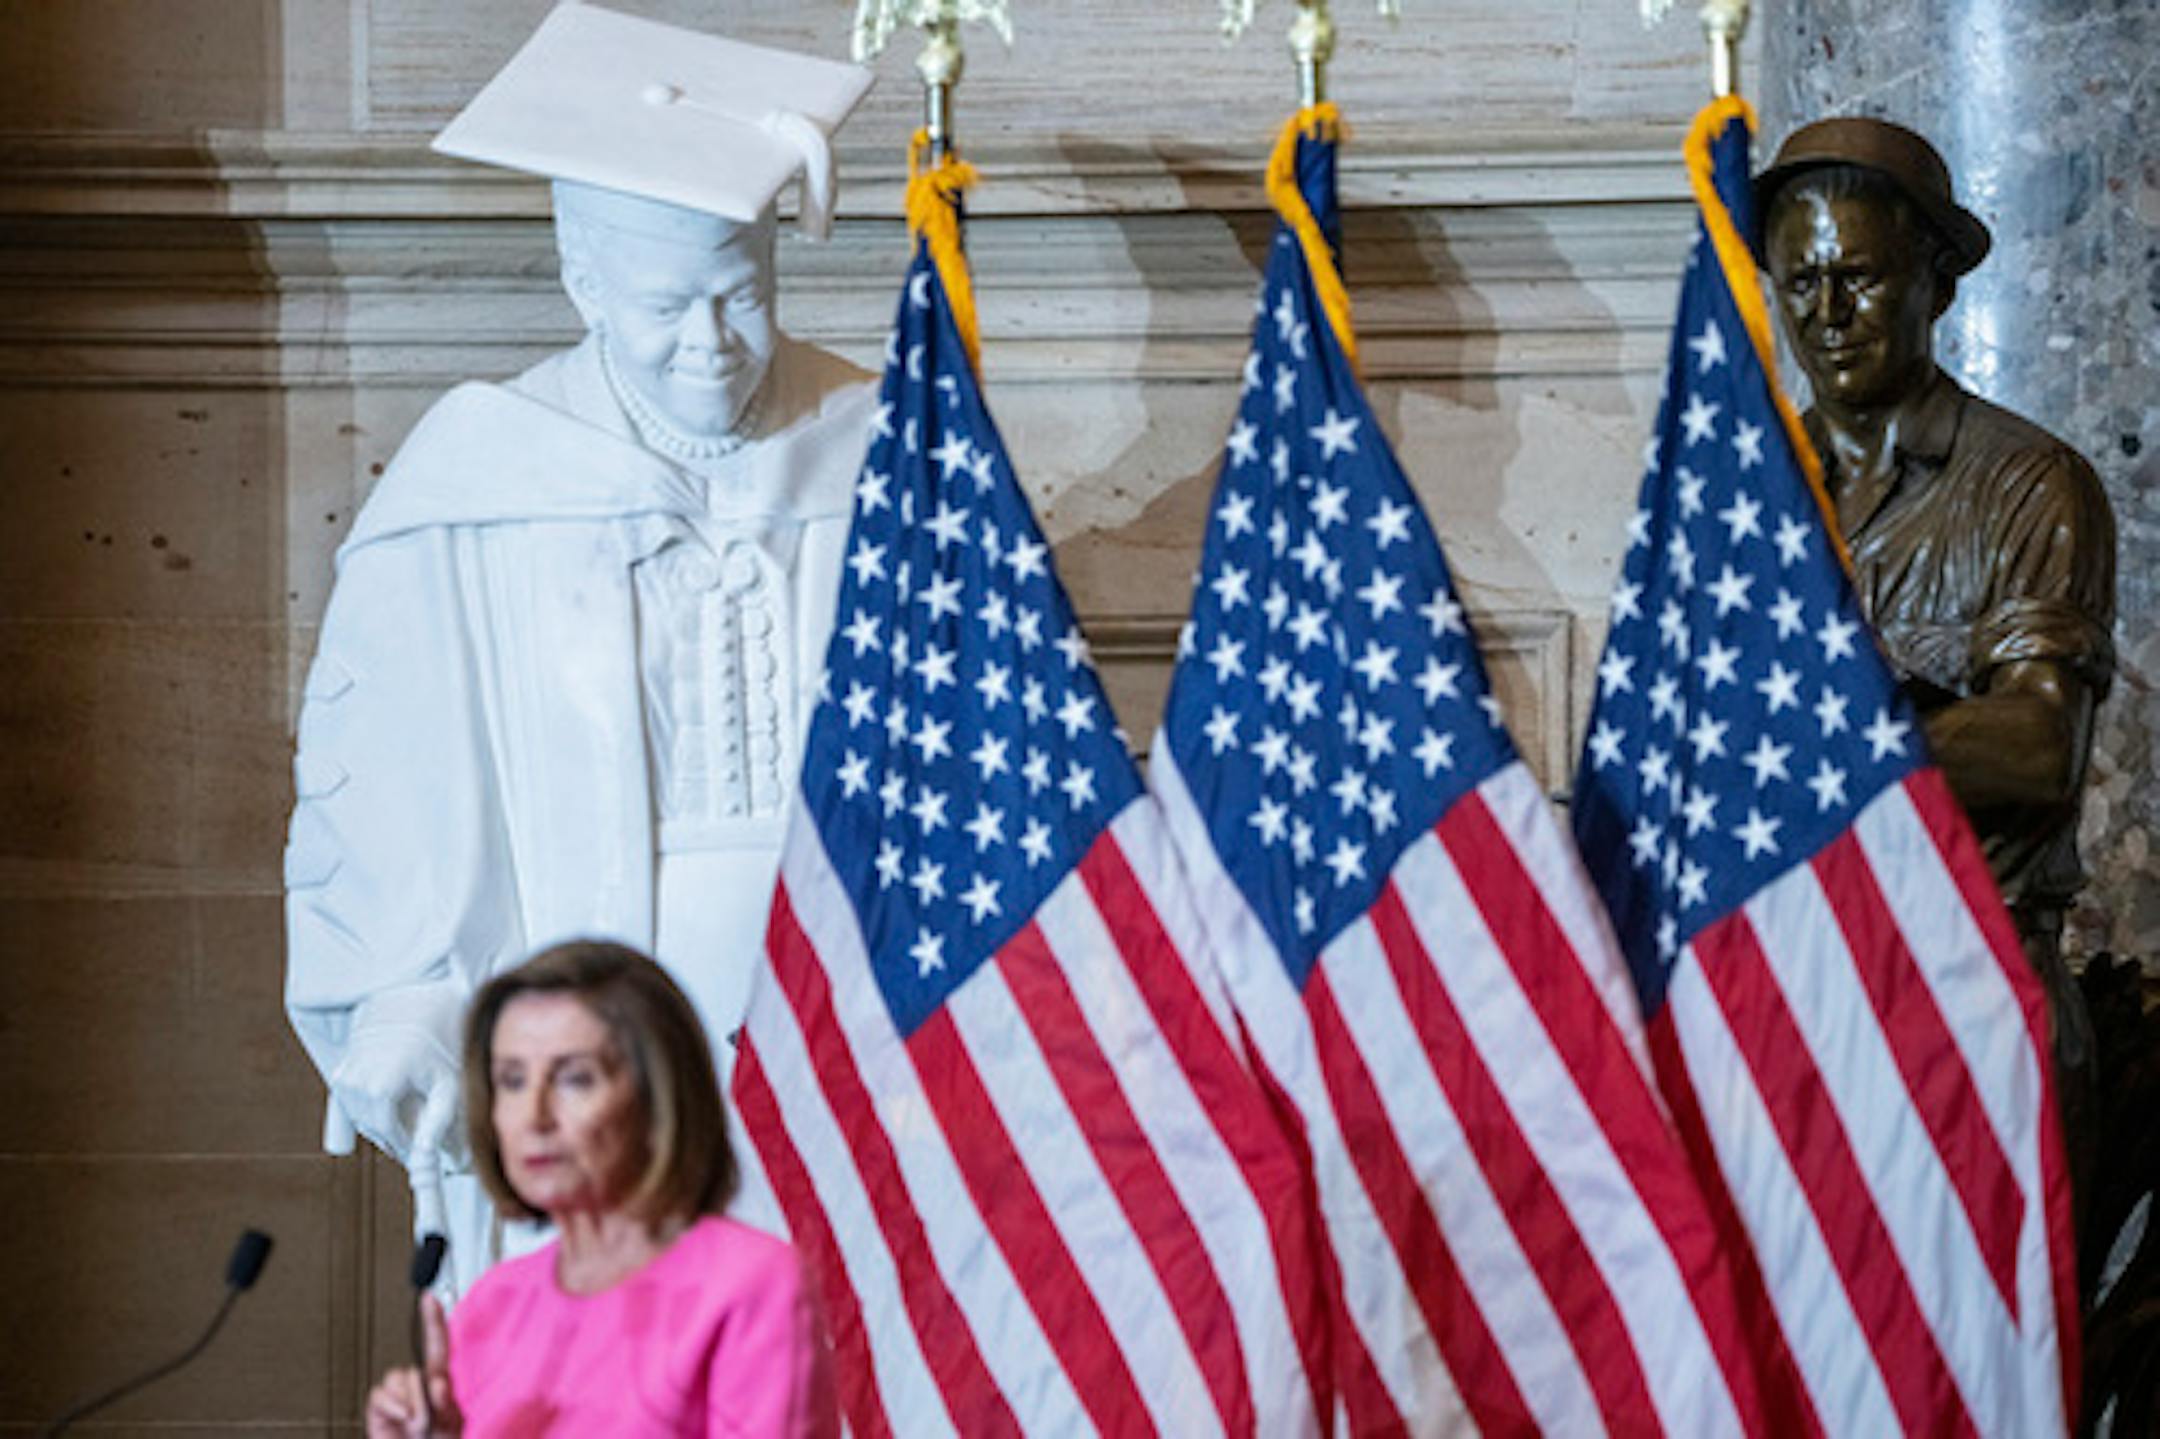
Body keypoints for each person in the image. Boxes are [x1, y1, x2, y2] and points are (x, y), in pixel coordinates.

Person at [283, 3, 877, 1295]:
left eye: (741, 295)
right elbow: (388, 797)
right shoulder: (479, 478)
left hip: (844, 1029)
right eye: (666, 307)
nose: (709, 344)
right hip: (591, 1036)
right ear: (585, 284)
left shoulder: (875, 446)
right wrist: (408, 1002)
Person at [1755, 116, 2116, 1179]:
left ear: (1936, 283)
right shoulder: (1746, 493)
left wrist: (1830, 736)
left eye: (1859, 279)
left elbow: (2041, 746)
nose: (1826, 315)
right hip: (1786, 1000)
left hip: (1971, 998)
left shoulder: (2028, 484)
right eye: (1801, 282)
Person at [364, 940, 833, 1437]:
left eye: (575, 1079)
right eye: (512, 1081)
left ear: (658, 1097)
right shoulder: (493, 1305)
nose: (535, 1115)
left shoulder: (752, 1286)